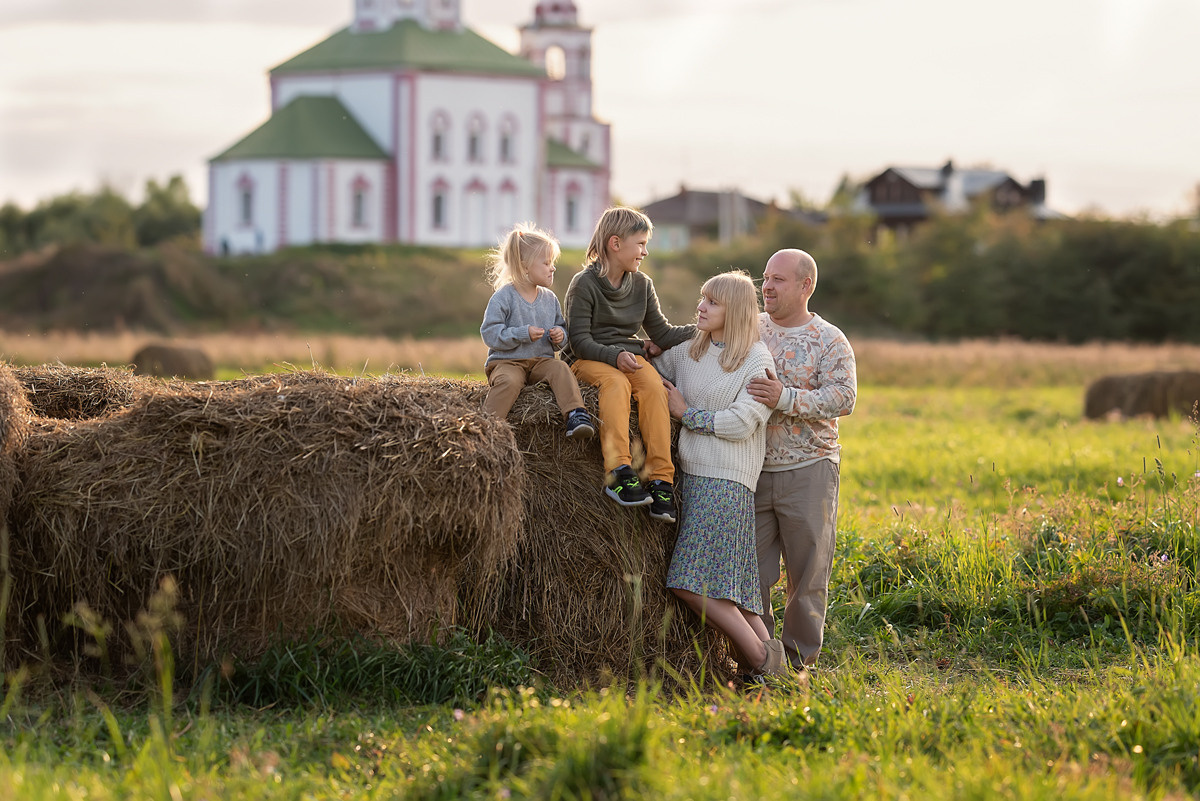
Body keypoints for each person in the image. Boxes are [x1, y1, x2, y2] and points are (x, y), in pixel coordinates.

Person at [655, 270, 786, 677]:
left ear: (736, 310)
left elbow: (741, 422)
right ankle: (772, 675)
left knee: (690, 584)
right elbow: (652, 368)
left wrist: (686, 414)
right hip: (694, 477)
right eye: (702, 298)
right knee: (739, 593)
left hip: (726, 482)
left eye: (712, 302)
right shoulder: (692, 350)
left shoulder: (756, 359)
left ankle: (765, 661)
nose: (700, 307)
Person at [747, 248, 857, 670]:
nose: (767, 287)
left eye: (778, 279)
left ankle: (796, 667)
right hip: (752, 468)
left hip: (809, 469)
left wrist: (786, 398)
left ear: (806, 285)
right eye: (765, 277)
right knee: (751, 574)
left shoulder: (829, 338)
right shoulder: (751, 326)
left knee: (806, 576)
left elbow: (845, 397)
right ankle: (757, 660)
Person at [562, 206, 693, 523]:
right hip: (587, 359)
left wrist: (705, 329)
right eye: (641, 244)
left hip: (628, 357)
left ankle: (662, 480)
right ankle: (619, 470)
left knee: (653, 388)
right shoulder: (584, 284)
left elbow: (660, 332)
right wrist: (614, 356)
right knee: (616, 384)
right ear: (615, 243)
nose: (645, 252)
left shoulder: (642, 284)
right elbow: (578, 340)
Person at [480, 222, 595, 439]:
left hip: (541, 362)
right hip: (508, 362)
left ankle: (576, 414)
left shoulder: (549, 299)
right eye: (546, 263)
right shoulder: (504, 297)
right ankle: (487, 428)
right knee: (509, 382)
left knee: (560, 369)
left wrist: (559, 337)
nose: (552, 267)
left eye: (552, 263)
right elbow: (490, 334)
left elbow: (560, 329)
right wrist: (521, 334)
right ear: (524, 266)